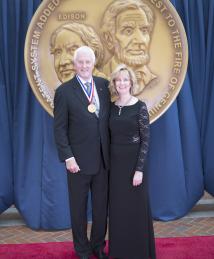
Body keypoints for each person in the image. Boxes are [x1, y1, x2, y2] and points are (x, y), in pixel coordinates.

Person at [54, 46, 110, 259]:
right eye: (81, 62)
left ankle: (98, 246)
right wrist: (68, 157)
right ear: (75, 64)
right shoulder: (64, 92)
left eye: (88, 62)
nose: (85, 66)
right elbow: (59, 129)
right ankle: (82, 249)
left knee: (100, 209)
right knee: (78, 210)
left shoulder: (104, 86)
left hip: (103, 161)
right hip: (77, 163)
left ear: (93, 63)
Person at [108, 64, 156, 259]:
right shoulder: (111, 107)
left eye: (125, 80)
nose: (122, 83)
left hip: (134, 164)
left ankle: (139, 252)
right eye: (118, 80)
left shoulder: (139, 106)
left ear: (131, 83)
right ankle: (119, 253)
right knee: (118, 210)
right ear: (114, 83)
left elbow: (145, 140)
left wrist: (139, 169)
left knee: (136, 209)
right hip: (115, 166)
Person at [101, 0, 157, 94]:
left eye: (144, 30)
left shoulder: (156, 82)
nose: (141, 40)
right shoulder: (99, 77)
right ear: (109, 39)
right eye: (128, 31)